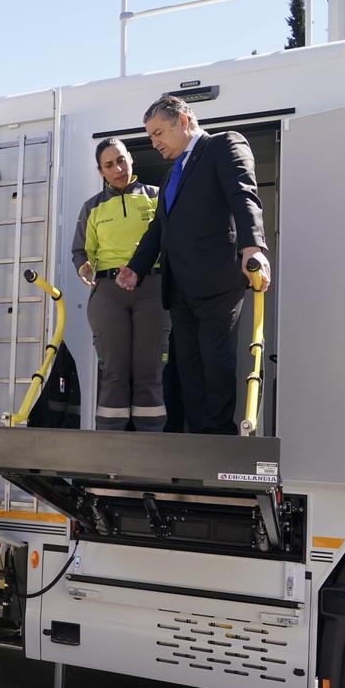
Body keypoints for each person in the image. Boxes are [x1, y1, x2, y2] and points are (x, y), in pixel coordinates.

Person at [116, 95, 271, 435]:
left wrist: (252, 247)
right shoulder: (172, 173)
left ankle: (217, 436)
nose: (153, 143)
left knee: (216, 361)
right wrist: (136, 267)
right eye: (151, 136)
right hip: (180, 286)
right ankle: (197, 437)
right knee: (188, 367)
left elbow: (244, 195)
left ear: (183, 122)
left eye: (158, 133)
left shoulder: (223, 145)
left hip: (217, 278)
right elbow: (160, 228)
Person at [71, 138, 169, 431]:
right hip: (108, 294)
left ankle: (150, 444)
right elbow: (80, 251)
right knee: (114, 371)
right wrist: (83, 265)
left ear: (131, 159)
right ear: (100, 171)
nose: (118, 168)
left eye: (122, 160)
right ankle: (110, 447)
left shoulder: (156, 196)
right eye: (109, 165)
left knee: (149, 371)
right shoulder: (92, 207)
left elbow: (173, 238)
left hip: (152, 289)